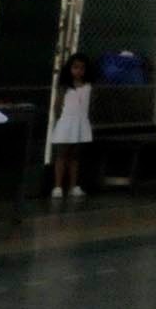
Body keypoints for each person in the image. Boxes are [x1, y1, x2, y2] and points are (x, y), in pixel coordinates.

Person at [50, 53, 94, 200]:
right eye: (75, 67)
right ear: (69, 69)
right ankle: (57, 187)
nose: (79, 71)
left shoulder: (88, 86)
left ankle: (73, 186)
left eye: (82, 68)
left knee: (75, 156)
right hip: (66, 123)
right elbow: (57, 105)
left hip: (81, 122)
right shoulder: (65, 87)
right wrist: (60, 120)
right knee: (62, 154)